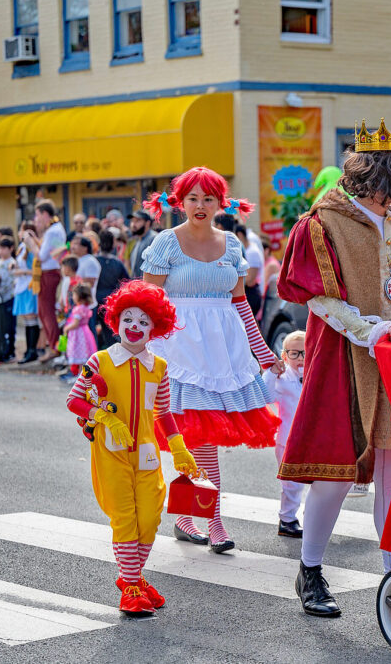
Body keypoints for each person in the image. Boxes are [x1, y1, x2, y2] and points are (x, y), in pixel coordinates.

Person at [277, 119, 391, 617]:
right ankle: (310, 570)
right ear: (364, 177)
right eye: (383, 188)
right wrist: (368, 330)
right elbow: (315, 296)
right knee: (336, 471)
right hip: (345, 359)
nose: (389, 199)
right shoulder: (321, 223)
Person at [142, 167, 283, 554]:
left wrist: (264, 352)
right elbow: (147, 304)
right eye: (193, 198)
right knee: (198, 441)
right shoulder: (166, 243)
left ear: (221, 203)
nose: (200, 205)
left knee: (202, 441)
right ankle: (212, 522)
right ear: (180, 202)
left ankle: (190, 519)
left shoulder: (232, 245)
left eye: (208, 198)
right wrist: (137, 352)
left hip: (223, 353)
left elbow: (241, 304)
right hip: (177, 351)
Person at [66, 281, 197, 615]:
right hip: (110, 452)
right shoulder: (99, 361)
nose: (134, 327)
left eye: (142, 321)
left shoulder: (160, 368)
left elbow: (164, 413)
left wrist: (179, 448)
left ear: (155, 326)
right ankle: (131, 586)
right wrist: (104, 418)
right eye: (127, 319)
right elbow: (74, 400)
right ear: (116, 322)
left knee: (150, 518)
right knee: (125, 518)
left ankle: (132, 577)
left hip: (147, 453)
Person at [262, 330, 308, 538]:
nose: (300, 359)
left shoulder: (314, 376)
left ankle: (312, 516)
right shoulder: (282, 380)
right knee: (291, 484)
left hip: (310, 440)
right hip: (287, 440)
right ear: (284, 356)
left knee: (317, 482)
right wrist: (271, 373)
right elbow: (266, 395)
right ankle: (287, 519)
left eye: (304, 353)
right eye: (294, 354)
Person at [25, 200, 67, 362]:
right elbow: (52, 253)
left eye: (37, 214)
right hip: (52, 272)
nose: (36, 218)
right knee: (46, 312)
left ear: (44, 214)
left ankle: (55, 347)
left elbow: (42, 256)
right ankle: (55, 347)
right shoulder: (56, 229)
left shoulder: (52, 231)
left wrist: (30, 243)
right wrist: (36, 239)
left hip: (49, 274)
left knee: (46, 312)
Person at [94, 228, 131, 349]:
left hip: (94, 300)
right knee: (110, 333)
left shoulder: (94, 261)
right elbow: (127, 283)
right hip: (110, 301)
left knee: (92, 332)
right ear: (113, 245)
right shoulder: (117, 263)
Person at [13, 222, 42, 364]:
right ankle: (28, 349)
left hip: (29, 285)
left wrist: (22, 271)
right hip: (21, 284)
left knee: (31, 319)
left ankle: (32, 350)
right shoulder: (21, 247)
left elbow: (35, 269)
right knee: (26, 320)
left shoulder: (31, 247)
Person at [62, 284, 98, 382]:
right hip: (85, 332)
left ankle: (79, 376)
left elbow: (75, 324)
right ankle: (80, 375)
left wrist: (66, 328)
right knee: (84, 354)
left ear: (79, 296)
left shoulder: (78, 309)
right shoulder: (85, 307)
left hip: (79, 334)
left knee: (80, 354)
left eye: (74, 294)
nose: (72, 297)